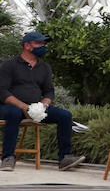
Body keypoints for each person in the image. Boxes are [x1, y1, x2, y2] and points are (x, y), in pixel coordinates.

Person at [0, 31, 84, 171]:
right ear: (27, 45)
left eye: (44, 43)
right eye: (39, 43)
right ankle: (8, 157)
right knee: (14, 113)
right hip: (9, 106)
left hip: (35, 107)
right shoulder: (9, 65)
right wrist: (23, 107)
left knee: (65, 116)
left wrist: (44, 104)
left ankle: (65, 158)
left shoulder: (45, 67)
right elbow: (2, 91)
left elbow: (49, 91)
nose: (43, 46)